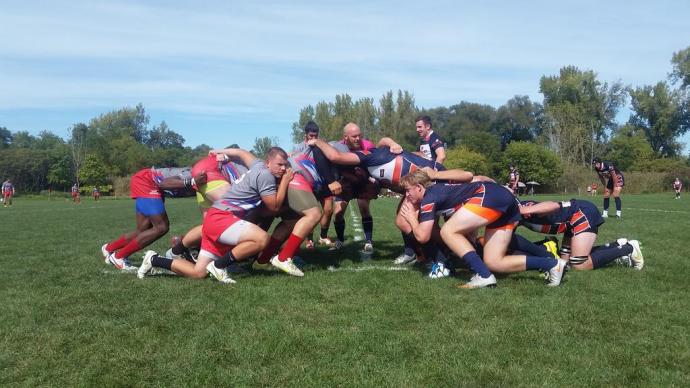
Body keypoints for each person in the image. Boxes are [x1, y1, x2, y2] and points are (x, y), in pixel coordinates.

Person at [138, 147, 292, 284]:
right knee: (262, 239)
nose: (283, 168)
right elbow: (274, 207)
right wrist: (285, 181)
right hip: (223, 218)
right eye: (279, 164)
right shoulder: (266, 175)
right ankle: (219, 266)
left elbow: (241, 152)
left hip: (216, 218)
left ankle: (154, 260)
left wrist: (221, 151)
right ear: (268, 162)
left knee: (198, 273)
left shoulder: (257, 165)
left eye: (285, 165)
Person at [399, 170, 567, 289]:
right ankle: (552, 264)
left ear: (419, 187)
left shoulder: (429, 198)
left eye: (407, 190)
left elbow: (422, 237)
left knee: (448, 231)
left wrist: (412, 219)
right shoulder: (436, 192)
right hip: (502, 197)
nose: (406, 195)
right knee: (494, 262)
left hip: (489, 196)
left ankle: (483, 276)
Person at [101, 166, 205, 271]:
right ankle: (119, 256)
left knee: (143, 229)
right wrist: (192, 181)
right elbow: (163, 183)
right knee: (161, 227)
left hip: (147, 182)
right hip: (148, 180)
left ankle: (109, 248)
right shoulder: (200, 173)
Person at [518, 199, 644, 270]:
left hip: (581, 214)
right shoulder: (511, 215)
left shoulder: (521, 208)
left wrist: (526, 210)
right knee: (565, 264)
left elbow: (553, 205)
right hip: (568, 223)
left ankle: (630, 248)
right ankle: (617, 245)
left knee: (579, 264)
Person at [329, 122, 379, 252]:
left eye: (359, 135)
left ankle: (368, 241)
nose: (358, 139)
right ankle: (340, 240)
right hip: (345, 182)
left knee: (364, 208)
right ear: (345, 137)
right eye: (354, 136)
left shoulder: (368, 145)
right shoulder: (338, 147)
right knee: (338, 212)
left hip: (362, 182)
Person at [291, 121, 334, 250]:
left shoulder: (321, 144)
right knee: (311, 212)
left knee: (328, 210)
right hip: (309, 183)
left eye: (315, 135)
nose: (313, 138)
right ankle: (309, 240)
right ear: (306, 135)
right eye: (311, 136)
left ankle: (323, 236)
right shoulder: (299, 148)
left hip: (323, 182)